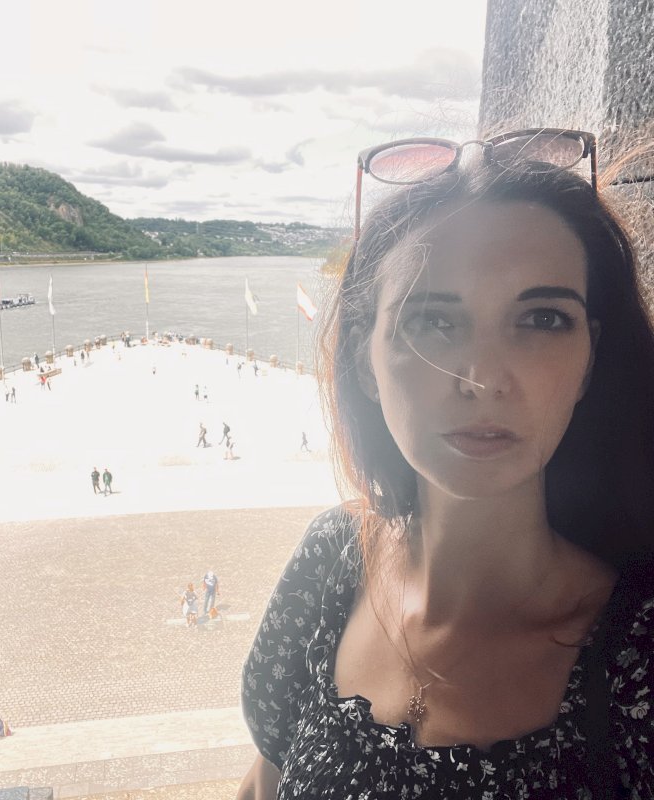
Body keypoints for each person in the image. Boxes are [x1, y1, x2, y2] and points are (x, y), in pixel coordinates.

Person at [237, 131, 654, 799]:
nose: (483, 379)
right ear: (365, 360)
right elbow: (265, 780)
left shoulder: (637, 655)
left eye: (542, 320)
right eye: (432, 321)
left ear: (588, 363)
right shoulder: (331, 562)